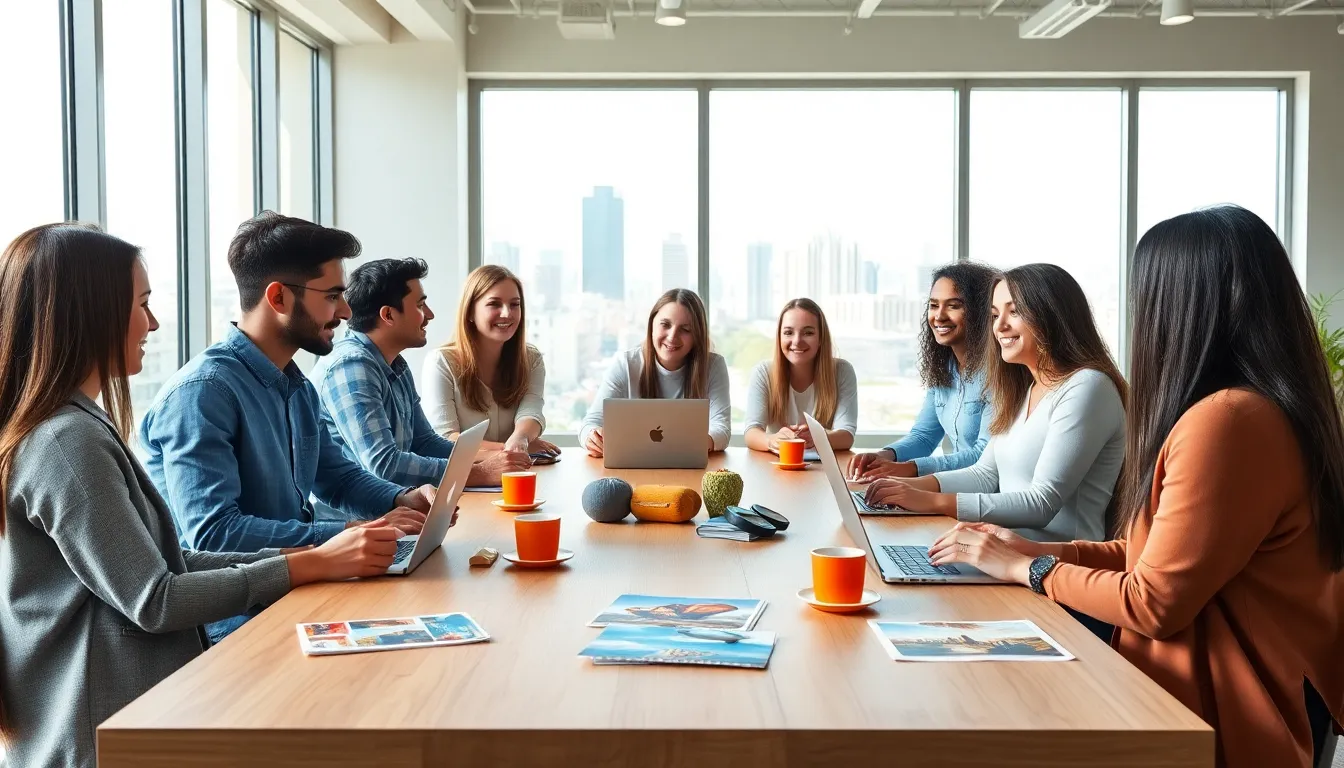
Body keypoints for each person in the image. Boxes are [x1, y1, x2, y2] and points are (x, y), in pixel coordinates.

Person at [928, 206, 1344, 768]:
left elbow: (1153, 604)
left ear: (1182, 306)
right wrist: (1029, 551)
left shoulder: (1229, 423)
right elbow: (1148, 558)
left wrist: (1027, 568)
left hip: (1216, 713)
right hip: (1174, 688)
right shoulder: (1249, 411)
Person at [0, 224, 404, 768]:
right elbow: (155, 598)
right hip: (99, 738)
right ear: (89, 313)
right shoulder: (66, 443)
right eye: (141, 304)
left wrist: (313, 560)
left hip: (130, 712)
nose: (154, 323)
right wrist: (306, 564)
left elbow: (170, 561)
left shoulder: (79, 426)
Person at [139, 213, 435, 642]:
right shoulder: (203, 394)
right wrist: (347, 535)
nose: (347, 311)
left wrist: (403, 498)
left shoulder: (296, 384)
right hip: (237, 628)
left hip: (297, 600)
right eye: (333, 295)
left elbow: (337, 476)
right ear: (278, 297)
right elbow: (215, 535)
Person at [865, 264, 1126, 545]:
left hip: (1058, 569)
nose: (999, 326)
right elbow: (984, 474)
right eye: (994, 315)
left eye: (1014, 312)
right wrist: (901, 487)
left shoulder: (1088, 387)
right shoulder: (1025, 388)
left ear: (1052, 316)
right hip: (1004, 552)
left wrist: (932, 501)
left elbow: (1041, 503)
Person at [312, 258, 523, 491]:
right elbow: (385, 465)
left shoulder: (395, 363)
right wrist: (478, 473)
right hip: (355, 521)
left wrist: (500, 456)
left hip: (397, 509)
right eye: (421, 305)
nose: (430, 315)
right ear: (388, 315)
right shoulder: (351, 366)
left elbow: (424, 443)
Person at [847, 262, 997, 481]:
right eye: (934, 305)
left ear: (980, 311)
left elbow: (983, 455)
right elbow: (924, 437)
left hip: (986, 499)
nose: (939, 316)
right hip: (954, 490)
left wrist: (912, 468)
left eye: (954, 306)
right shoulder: (945, 369)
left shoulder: (997, 375)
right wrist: (884, 455)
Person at [419, 264, 556, 462]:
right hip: (468, 482)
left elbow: (531, 410)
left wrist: (521, 438)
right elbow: (446, 440)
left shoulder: (531, 358)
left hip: (517, 476)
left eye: (515, 304)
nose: (507, 313)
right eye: (494, 304)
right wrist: (515, 448)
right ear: (470, 312)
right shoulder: (441, 363)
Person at [580, 289, 731, 457]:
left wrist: (698, 443)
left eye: (685, 329)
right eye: (665, 325)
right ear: (652, 325)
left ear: (697, 335)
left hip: (689, 467)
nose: (672, 336)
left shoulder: (713, 366)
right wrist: (591, 437)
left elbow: (722, 428)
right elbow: (590, 423)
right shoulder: (626, 365)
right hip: (632, 467)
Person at [744, 298, 858, 453]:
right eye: (788, 333)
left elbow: (846, 435)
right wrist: (772, 440)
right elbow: (751, 432)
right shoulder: (764, 372)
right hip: (779, 466)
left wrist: (819, 437)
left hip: (823, 469)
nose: (797, 341)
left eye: (808, 333)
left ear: (820, 339)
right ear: (779, 337)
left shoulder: (842, 371)